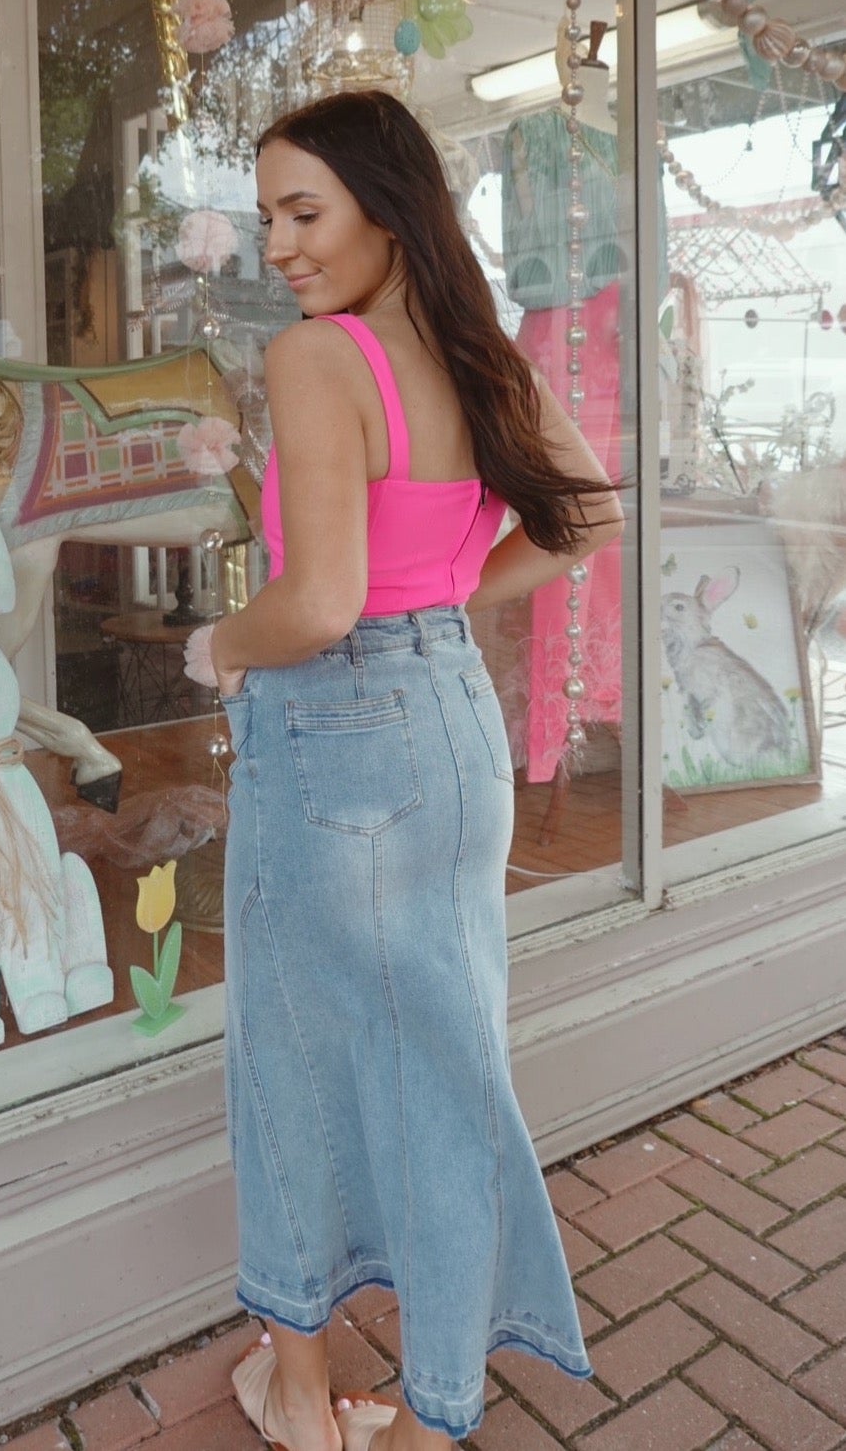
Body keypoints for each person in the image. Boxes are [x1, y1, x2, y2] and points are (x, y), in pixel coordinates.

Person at [200, 89, 623, 1451]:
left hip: (334, 732)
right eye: (268, 214)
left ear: (387, 206)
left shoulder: (319, 361)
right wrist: (452, 599)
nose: (278, 243)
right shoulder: (471, 348)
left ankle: (306, 1393)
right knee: (443, 1058)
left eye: (302, 210)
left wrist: (218, 642)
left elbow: (317, 605)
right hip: (449, 731)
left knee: (293, 1062)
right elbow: (586, 511)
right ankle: (440, 1401)